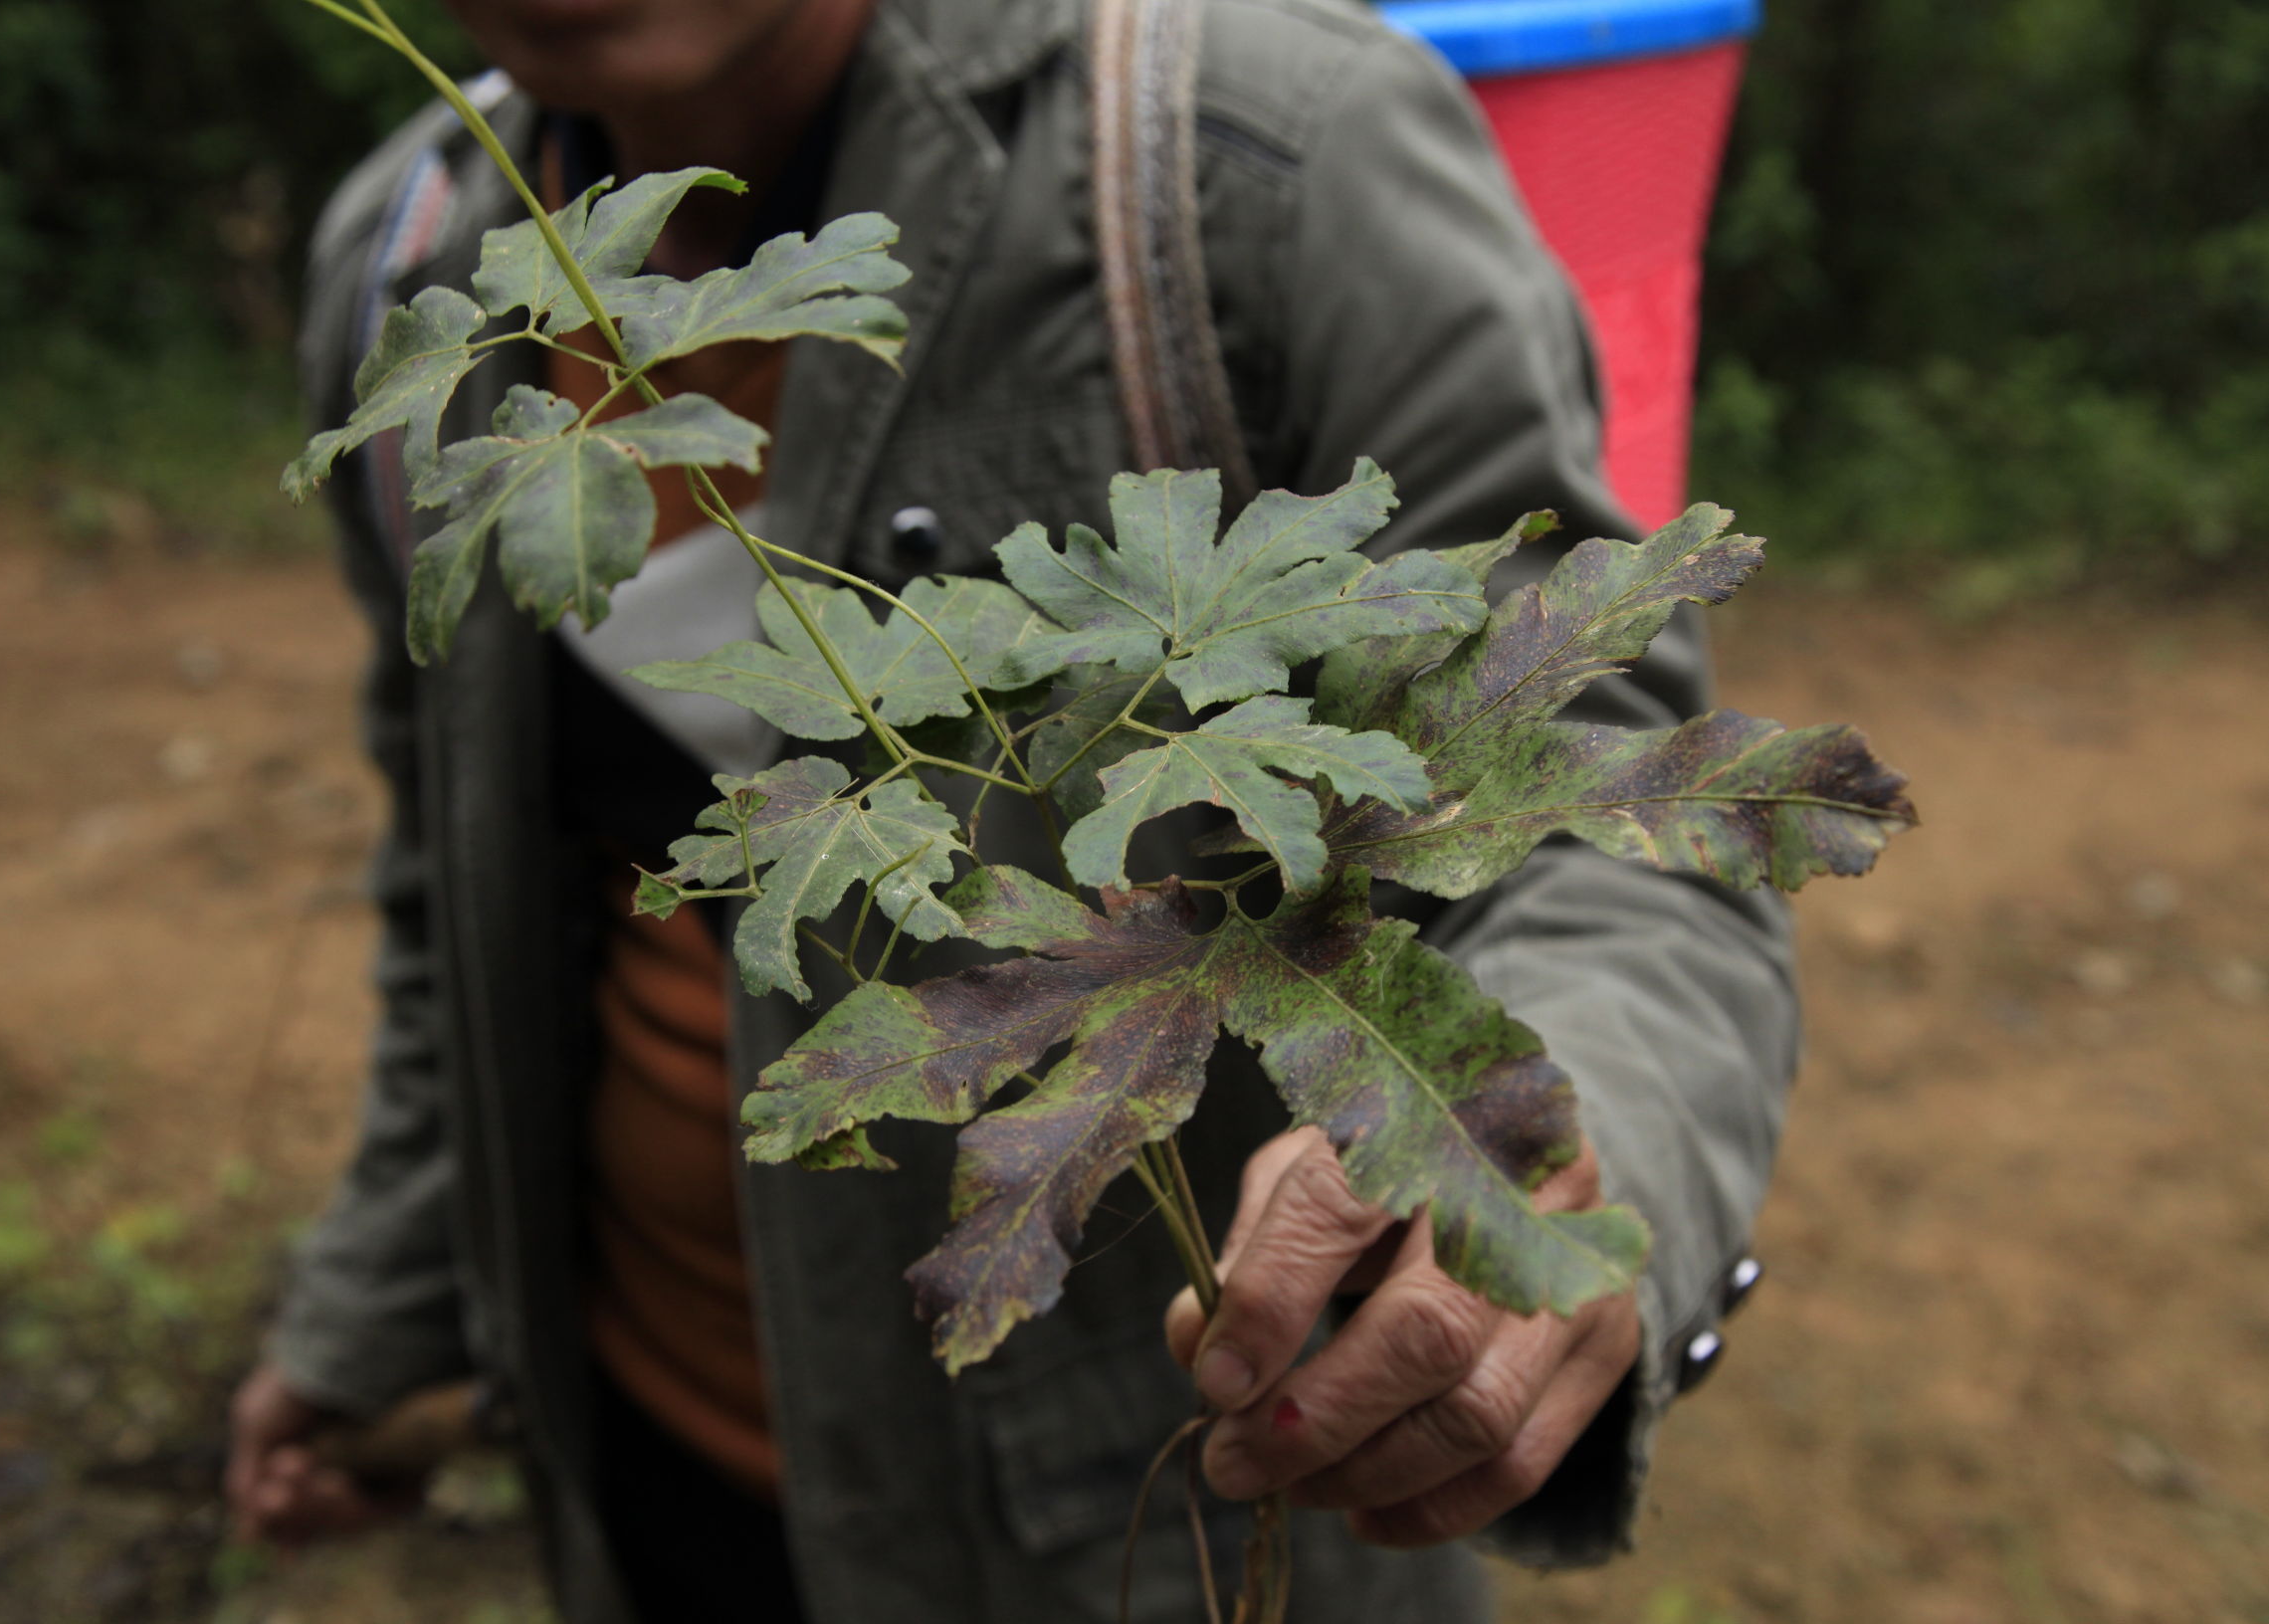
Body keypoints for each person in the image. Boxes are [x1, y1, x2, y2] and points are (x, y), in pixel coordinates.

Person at [224, 0, 1800, 1619]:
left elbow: (1590, 808)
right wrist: (377, 1313)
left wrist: (1557, 1139)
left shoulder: (1257, 161)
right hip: (637, 1464)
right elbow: (463, 891)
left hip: (1130, 1532)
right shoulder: (411, 264)